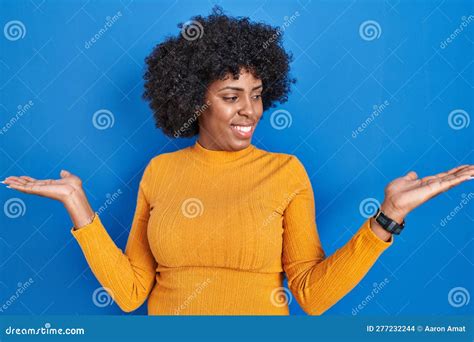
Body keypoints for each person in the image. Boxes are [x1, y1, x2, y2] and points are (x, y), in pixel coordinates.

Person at [3, 7, 473, 315]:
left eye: (257, 95)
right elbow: (129, 294)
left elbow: (311, 293)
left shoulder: (285, 172)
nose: (250, 110)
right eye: (231, 96)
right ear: (194, 101)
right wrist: (76, 201)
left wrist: (388, 217)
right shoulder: (160, 173)